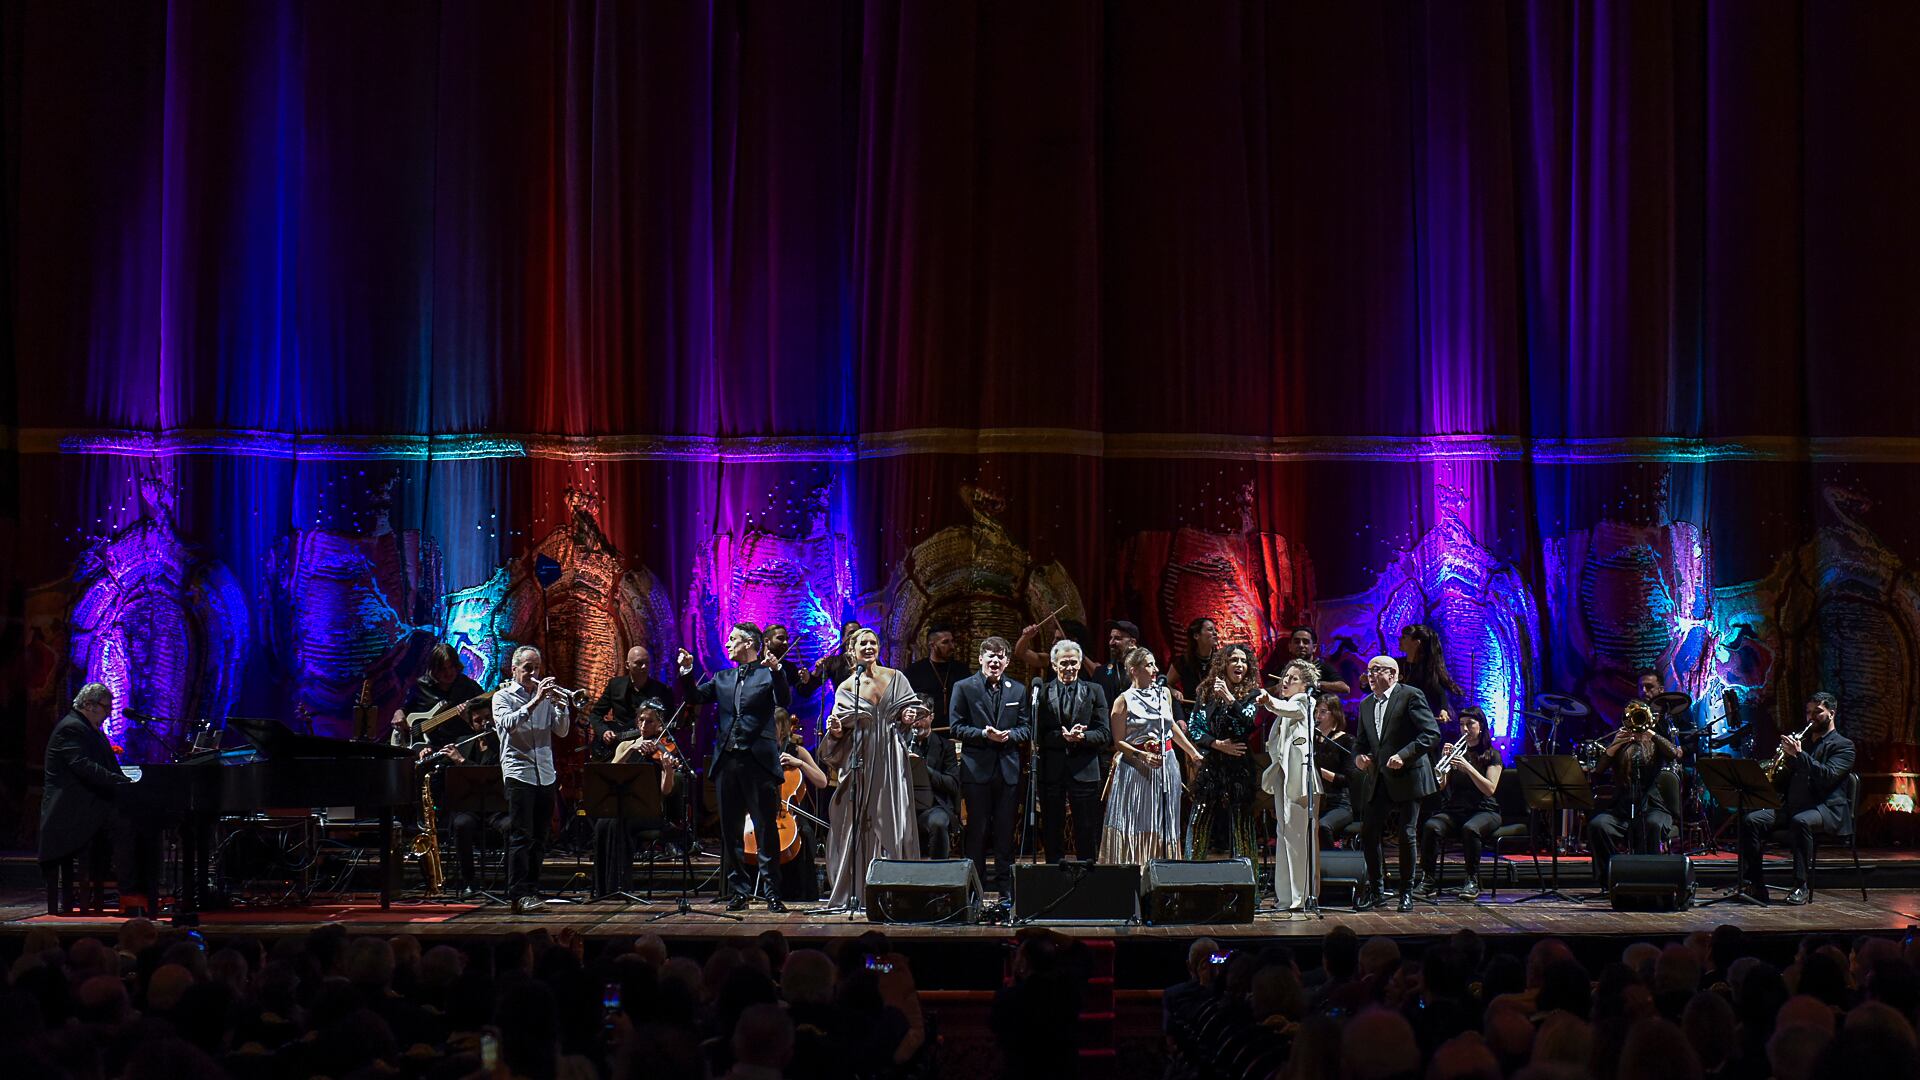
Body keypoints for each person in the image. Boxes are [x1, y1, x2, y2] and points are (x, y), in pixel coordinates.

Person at [677, 623, 792, 912]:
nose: (727, 644)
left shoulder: (768, 674)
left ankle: (772, 892)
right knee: (730, 829)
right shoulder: (722, 678)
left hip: (758, 761)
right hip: (728, 760)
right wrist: (687, 672)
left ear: (750, 644)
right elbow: (694, 697)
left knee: (766, 828)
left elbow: (785, 700)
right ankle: (738, 890)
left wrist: (778, 671)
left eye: (733, 640)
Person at [818, 628, 921, 910]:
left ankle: (897, 891)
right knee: (858, 823)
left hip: (890, 757)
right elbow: (837, 734)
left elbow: (913, 711)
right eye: (862, 643)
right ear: (852, 650)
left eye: (873, 642)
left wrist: (908, 715)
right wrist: (837, 731)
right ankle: (860, 890)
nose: (868, 646)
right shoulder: (846, 687)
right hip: (860, 758)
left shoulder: (896, 677)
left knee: (895, 823)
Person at [1739, 692, 1855, 905]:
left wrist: (1800, 756)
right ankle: (1755, 885)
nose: (1811, 717)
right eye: (1808, 712)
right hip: (1794, 807)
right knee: (1752, 820)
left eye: (1818, 712)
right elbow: (1786, 781)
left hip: (1827, 809)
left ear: (1832, 713)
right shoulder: (1805, 742)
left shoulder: (1843, 745)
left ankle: (1800, 885)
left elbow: (1827, 777)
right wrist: (1781, 763)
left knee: (1800, 821)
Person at [1351, 656, 1440, 912]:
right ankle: (1377, 889)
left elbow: (1431, 733)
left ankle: (1406, 892)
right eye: (1368, 670)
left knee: (1406, 834)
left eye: (1376, 670)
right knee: (1369, 832)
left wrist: (1404, 754)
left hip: (1409, 774)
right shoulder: (1366, 704)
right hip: (1380, 776)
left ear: (1393, 674)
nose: (1370, 675)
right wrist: (1359, 757)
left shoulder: (1410, 695)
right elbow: (1361, 742)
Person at [490, 646, 573, 915]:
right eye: (527, 668)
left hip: (545, 773)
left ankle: (532, 890)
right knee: (520, 836)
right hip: (518, 772)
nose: (533, 673)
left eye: (536, 667)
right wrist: (536, 700)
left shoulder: (547, 698)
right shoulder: (502, 697)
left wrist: (562, 708)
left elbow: (561, 732)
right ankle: (517, 894)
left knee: (540, 837)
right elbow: (507, 725)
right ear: (513, 669)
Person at [40, 682, 133, 914]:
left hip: (86, 803)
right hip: (70, 810)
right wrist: (119, 781)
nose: (109, 714)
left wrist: (123, 778)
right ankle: (130, 892)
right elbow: (83, 766)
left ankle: (132, 889)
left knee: (130, 821)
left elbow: (102, 765)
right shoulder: (71, 728)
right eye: (106, 708)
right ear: (89, 705)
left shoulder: (87, 728)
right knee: (126, 826)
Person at [1100, 648, 1199, 866]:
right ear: (1134, 670)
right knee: (1139, 818)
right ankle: (1138, 868)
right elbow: (1118, 742)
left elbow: (1171, 726)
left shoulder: (1164, 693)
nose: (1155, 670)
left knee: (1165, 817)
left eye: (1154, 664)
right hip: (1137, 767)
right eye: (1149, 665)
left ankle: (1165, 869)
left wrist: (1192, 752)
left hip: (1166, 763)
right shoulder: (1122, 701)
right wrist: (1142, 756)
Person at [949, 636, 1032, 894]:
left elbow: (1026, 727)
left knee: (1005, 831)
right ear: (981, 659)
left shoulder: (1018, 690)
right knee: (977, 830)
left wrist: (1009, 736)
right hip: (977, 769)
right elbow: (956, 726)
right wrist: (984, 734)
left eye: (1000, 656)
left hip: (1008, 769)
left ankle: (1007, 889)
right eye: (990, 656)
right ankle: (975, 887)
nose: (995, 661)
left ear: (1007, 661)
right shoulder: (964, 687)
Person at [588, 701, 680, 898]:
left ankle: (622, 885)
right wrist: (632, 749)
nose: (644, 725)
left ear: (659, 725)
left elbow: (665, 791)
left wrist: (669, 771)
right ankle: (603, 887)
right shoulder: (625, 745)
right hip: (624, 808)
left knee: (618, 823)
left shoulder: (664, 748)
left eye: (650, 721)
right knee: (603, 823)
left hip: (649, 811)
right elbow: (610, 773)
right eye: (642, 720)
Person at [1585, 701, 1680, 891]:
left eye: (1641, 717)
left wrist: (1651, 733)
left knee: (1650, 825)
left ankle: (1649, 880)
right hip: (1622, 808)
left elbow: (1674, 753)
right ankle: (1611, 878)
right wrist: (1613, 746)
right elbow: (1598, 770)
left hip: (1653, 806)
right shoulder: (1620, 743)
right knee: (1598, 825)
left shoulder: (1654, 742)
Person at [1031, 638, 1112, 862]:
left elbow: (1104, 734)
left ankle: (1088, 879)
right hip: (1052, 770)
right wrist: (1063, 738)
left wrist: (1082, 737)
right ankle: (1054, 878)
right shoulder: (1043, 692)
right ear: (1054, 665)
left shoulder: (1094, 691)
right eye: (1064, 663)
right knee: (1051, 828)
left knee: (1087, 829)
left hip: (1084, 768)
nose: (1069, 668)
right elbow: (1038, 733)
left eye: (1073, 663)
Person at [1416, 706, 1503, 902]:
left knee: (1470, 829)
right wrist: (1445, 764)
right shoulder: (1458, 752)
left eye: (1470, 724)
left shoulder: (1491, 755)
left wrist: (1468, 767)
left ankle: (1472, 880)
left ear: (1481, 727)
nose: (1465, 729)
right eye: (1462, 724)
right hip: (1456, 809)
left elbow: (1489, 789)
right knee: (1431, 826)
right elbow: (1441, 786)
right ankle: (1428, 879)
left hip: (1485, 810)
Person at [1189, 643, 1264, 862]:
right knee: (1199, 821)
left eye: (1243, 661)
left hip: (1239, 765)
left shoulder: (1253, 694)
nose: (1239, 664)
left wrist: (1230, 700)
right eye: (1234, 660)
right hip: (1213, 763)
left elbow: (1249, 723)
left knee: (1242, 826)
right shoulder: (1206, 691)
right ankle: (1189, 883)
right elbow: (1195, 727)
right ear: (1224, 664)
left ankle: (1248, 889)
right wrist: (1216, 744)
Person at [1259, 658, 1319, 909]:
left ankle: (1300, 896)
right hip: (1285, 775)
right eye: (1285, 676)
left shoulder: (1304, 700)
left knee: (1296, 836)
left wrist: (1268, 701)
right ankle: (1285, 896)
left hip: (1298, 777)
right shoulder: (1287, 706)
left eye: (1293, 678)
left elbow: (1287, 709)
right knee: (1283, 834)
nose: (1285, 681)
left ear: (1305, 684)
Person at [389, 642, 490, 750]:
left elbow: (487, 714)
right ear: (433, 669)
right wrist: (398, 714)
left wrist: (469, 718)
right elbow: (403, 709)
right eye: (443, 669)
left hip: (461, 746)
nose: (448, 673)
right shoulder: (421, 686)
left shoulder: (469, 686)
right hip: (425, 748)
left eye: (451, 667)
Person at [905, 696, 962, 858]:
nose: (917, 722)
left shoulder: (946, 747)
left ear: (932, 716)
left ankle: (938, 873)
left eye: (921, 716)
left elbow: (952, 784)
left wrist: (923, 769)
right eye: (913, 716)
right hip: (904, 807)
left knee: (938, 822)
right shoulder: (900, 743)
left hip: (935, 806)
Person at [588, 646, 677, 745]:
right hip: (616, 746)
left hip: (647, 747)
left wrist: (659, 731)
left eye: (647, 663)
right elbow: (595, 714)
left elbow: (671, 721)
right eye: (639, 663)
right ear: (627, 665)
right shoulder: (615, 685)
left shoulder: (662, 691)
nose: (644, 667)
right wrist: (604, 731)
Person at [903, 623, 967, 727]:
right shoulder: (914, 672)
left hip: (956, 729)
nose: (952, 646)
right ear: (932, 645)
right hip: (927, 731)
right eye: (945, 642)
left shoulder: (961, 670)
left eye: (952, 641)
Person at [1313, 696, 1356, 849]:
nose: (1318, 716)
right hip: (1315, 802)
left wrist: (1318, 772)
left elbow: (1349, 780)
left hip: (1339, 804)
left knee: (1322, 826)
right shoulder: (1310, 741)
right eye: (1316, 711)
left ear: (1335, 714)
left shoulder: (1347, 741)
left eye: (1323, 712)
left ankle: (1329, 867)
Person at [1264, 626, 1352, 696]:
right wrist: (1280, 687)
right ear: (1290, 647)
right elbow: (1265, 692)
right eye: (1297, 642)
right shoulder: (1282, 668)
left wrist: (1315, 684)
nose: (1301, 645)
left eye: (1305, 642)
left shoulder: (1322, 667)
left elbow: (1344, 688)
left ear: (1314, 648)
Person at [1094, 620, 1142, 707]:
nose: (1111, 643)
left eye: (1117, 638)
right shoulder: (1101, 673)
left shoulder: (1145, 670)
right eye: (1111, 638)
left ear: (1132, 642)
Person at [1173, 617, 1220, 704]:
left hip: (1215, 712)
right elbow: (1166, 683)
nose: (1215, 633)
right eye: (1210, 629)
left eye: (1215, 630)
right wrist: (1173, 691)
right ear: (1196, 636)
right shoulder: (1183, 661)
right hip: (1190, 711)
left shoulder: (1221, 660)